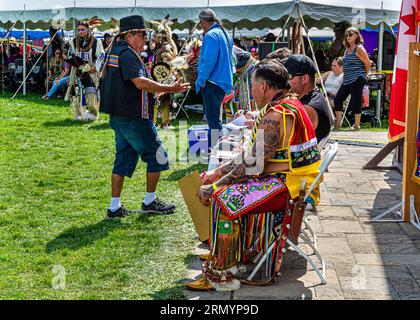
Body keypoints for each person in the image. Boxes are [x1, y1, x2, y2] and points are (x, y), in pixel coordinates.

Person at [186, 59, 320, 291]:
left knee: (223, 199)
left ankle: (222, 274)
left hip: (288, 188)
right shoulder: (291, 104)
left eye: (254, 85)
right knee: (225, 190)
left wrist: (215, 185)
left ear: (264, 87)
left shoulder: (276, 115)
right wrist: (216, 173)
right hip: (296, 183)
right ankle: (233, 254)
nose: (253, 91)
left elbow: (253, 165)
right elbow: (252, 159)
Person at [99, 15, 190, 218]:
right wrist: (170, 87)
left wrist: (156, 91)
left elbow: (128, 86)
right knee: (158, 155)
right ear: (129, 35)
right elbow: (139, 83)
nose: (145, 39)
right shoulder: (127, 54)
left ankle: (114, 207)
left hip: (119, 116)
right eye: (142, 34)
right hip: (133, 117)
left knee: (122, 159)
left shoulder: (115, 51)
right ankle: (150, 202)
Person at [196, 9, 233, 145]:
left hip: (212, 82)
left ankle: (217, 152)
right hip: (222, 81)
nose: (201, 26)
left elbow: (208, 62)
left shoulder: (211, 35)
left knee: (213, 119)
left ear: (204, 21)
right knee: (215, 118)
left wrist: (201, 81)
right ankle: (218, 150)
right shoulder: (224, 34)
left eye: (200, 23)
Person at [284, 54, 333, 142]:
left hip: (295, 155)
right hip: (300, 152)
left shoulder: (307, 109)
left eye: (289, 76)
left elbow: (280, 139)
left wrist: (261, 123)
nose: (285, 81)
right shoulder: (314, 97)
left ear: (305, 78)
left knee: (257, 150)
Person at [333, 27, 371, 130]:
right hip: (347, 78)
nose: (348, 37)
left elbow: (368, 63)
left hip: (358, 77)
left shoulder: (359, 48)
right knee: (338, 99)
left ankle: (357, 125)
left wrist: (365, 74)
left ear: (357, 36)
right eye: (346, 35)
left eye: (351, 34)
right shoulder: (347, 49)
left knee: (356, 100)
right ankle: (338, 124)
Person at [66, 20, 104, 121]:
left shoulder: (96, 42)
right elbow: (70, 55)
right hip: (78, 71)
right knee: (78, 92)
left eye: (83, 30)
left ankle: (93, 113)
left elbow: (101, 55)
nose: (80, 32)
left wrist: (95, 66)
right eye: (78, 30)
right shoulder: (73, 42)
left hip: (91, 71)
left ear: (88, 30)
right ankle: (79, 112)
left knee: (91, 92)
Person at [151, 26, 177, 129]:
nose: (153, 38)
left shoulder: (165, 48)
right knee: (157, 100)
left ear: (160, 37)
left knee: (164, 101)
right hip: (158, 78)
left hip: (163, 78)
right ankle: (155, 122)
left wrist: (164, 80)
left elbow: (167, 64)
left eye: (155, 36)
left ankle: (164, 123)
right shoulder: (160, 47)